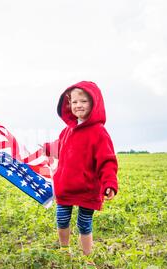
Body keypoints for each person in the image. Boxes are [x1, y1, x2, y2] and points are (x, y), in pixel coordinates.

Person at [42, 81, 118, 256]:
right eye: (74, 102)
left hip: (87, 189)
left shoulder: (99, 132)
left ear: (94, 103)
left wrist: (110, 183)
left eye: (83, 101)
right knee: (61, 219)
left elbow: (107, 161)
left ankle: (86, 257)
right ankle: (64, 250)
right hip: (65, 186)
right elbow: (58, 147)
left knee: (84, 223)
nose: (78, 105)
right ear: (69, 105)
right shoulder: (67, 130)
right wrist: (44, 148)